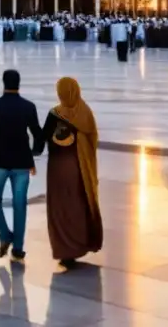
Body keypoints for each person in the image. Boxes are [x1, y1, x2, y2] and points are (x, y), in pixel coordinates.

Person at [0, 69, 45, 261]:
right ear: (19, 83)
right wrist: (34, 153)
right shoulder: (28, 107)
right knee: (19, 205)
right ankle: (18, 248)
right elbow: (37, 134)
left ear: (3, 83)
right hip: (21, 163)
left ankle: (4, 234)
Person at [43, 77, 103, 267]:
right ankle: (80, 245)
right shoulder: (85, 113)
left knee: (61, 210)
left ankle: (65, 251)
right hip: (79, 170)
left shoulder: (54, 115)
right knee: (79, 206)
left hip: (57, 171)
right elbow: (92, 140)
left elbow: (39, 143)